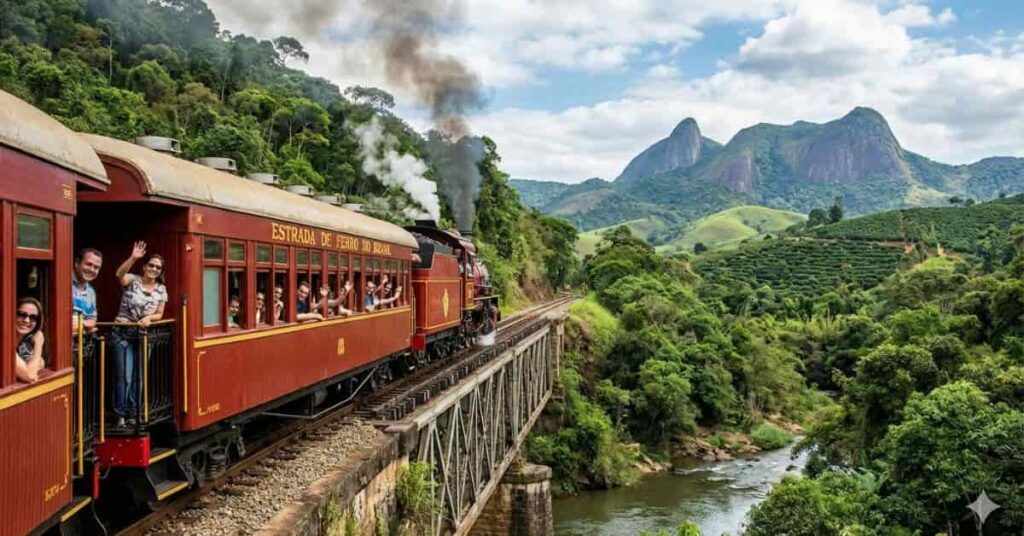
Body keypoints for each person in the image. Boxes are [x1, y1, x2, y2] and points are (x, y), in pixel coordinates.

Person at [112, 241, 168, 428]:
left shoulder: (161, 290)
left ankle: (134, 414)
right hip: (122, 334)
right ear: (144, 267)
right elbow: (119, 275)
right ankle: (120, 415)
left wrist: (150, 318)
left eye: (157, 267)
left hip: (144, 335)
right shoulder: (132, 280)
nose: (154, 269)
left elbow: (160, 313)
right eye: (151, 265)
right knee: (124, 376)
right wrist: (133, 257)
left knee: (139, 377)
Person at [14, 297, 45, 383]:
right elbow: (30, 376)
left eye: (33, 317)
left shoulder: (24, 343)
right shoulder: (4, 342)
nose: (26, 320)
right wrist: (38, 344)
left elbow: (41, 363)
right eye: (21, 314)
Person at [72, 248, 102, 334]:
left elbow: (92, 320)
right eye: (89, 264)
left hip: (82, 343)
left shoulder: (91, 292)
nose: (92, 269)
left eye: (96, 267)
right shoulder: (63, 283)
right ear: (77, 263)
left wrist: (81, 324)